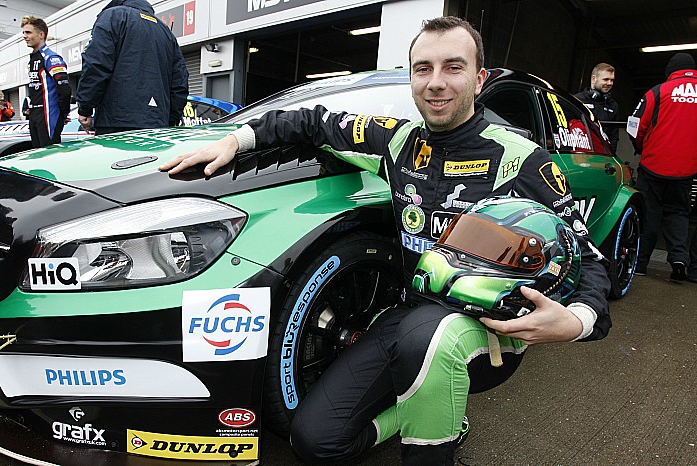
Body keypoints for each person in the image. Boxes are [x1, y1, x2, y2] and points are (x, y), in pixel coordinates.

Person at [161, 16, 611, 465]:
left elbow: (588, 258)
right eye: (423, 69)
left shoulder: (521, 157)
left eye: (453, 68)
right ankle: (434, 411)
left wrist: (576, 322)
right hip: (408, 314)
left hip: (488, 332)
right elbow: (314, 121)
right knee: (316, 442)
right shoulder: (398, 141)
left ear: (478, 78)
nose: (436, 83)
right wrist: (235, 140)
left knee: (430, 338)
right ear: (411, 77)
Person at [627, 52, 697, 281]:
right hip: (687, 170)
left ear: (671, 71)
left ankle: (640, 264)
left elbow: (635, 126)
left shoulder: (657, 91)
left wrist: (641, 147)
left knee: (649, 214)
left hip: (653, 165)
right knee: (678, 213)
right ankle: (679, 260)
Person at [76, 0, 189, 135]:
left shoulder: (112, 17)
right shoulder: (166, 32)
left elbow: (96, 65)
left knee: (117, 157)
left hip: (116, 122)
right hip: (157, 125)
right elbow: (180, 82)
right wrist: (170, 119)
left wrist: (85, 108)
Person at [21, 16, 71, 148]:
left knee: (49, 155)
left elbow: (64, 88)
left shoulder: (51, 57)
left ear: (41, 34)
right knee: (37, 156)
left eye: (28, 32)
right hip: (34, 116)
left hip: (49, 115)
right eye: (24, 33)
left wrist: (63, 114)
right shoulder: (32, 59)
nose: (24, 36)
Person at [574, 63, 619, 152]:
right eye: (606, 79)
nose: (609, 83)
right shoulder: (576, 100)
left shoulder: (613, 105)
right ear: (594, 79)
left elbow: (614, 137)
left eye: (612, 80)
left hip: (602, 155)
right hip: (579, 152)